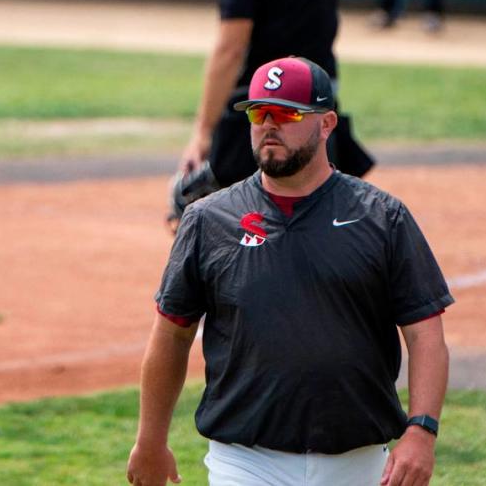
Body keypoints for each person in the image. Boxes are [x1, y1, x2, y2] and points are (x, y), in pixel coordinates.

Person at [126, 57, 453, 486]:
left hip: (359, 460)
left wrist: (421, 430)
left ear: (327, 123)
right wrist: (150, 439)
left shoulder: (381, 217)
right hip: (244, 461)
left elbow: (425, 333)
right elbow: (171, 333)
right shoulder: (208, 220)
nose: (269, 125)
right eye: (260, 113)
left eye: (287, 113)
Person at [132, 0, 372, 227]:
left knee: (204, 214)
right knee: (312, 220)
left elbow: (230, 49)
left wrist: (202, 133)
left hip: (269, 107)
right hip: (320, 108)